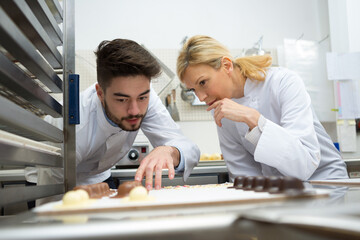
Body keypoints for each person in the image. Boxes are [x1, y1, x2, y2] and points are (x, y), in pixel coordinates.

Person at [27, 38, 200, 194]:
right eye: (122, 99)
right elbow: (51, 206)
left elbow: (187, 147)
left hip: (100, 178)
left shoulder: (146, 98)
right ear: (100, 93)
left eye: (142, 97)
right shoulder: (74, 125)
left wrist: (170, 150)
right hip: (51, 179)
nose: (134, 110)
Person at [176, 35, 348, 182]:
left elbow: (304, 165)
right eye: (193, 89)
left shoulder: (283, 82)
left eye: (203, 83)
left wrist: (254, 119)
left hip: (326, 183)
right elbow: (242, 175)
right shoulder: (221, 110)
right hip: (282, 193)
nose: (201, 97)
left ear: (227, 65)